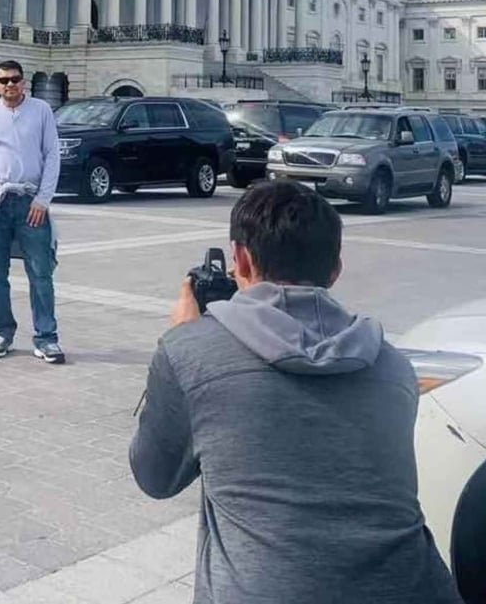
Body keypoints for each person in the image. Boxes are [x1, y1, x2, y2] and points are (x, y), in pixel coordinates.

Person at [129, 181, 461, 604]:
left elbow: (154, 477)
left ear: (241, 259)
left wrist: (182, 341)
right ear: (336, 268)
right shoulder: (393, 366)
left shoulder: (191, 352)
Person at [0, 60, 64, 364]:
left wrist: (43, 200)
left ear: (24, 83)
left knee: (41, 272)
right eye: (4, 80)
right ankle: (1, 332)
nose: (10, 85)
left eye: (15, 80)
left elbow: (52, 155)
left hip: (30, 201)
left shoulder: (41, 110)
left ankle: (47, 338)